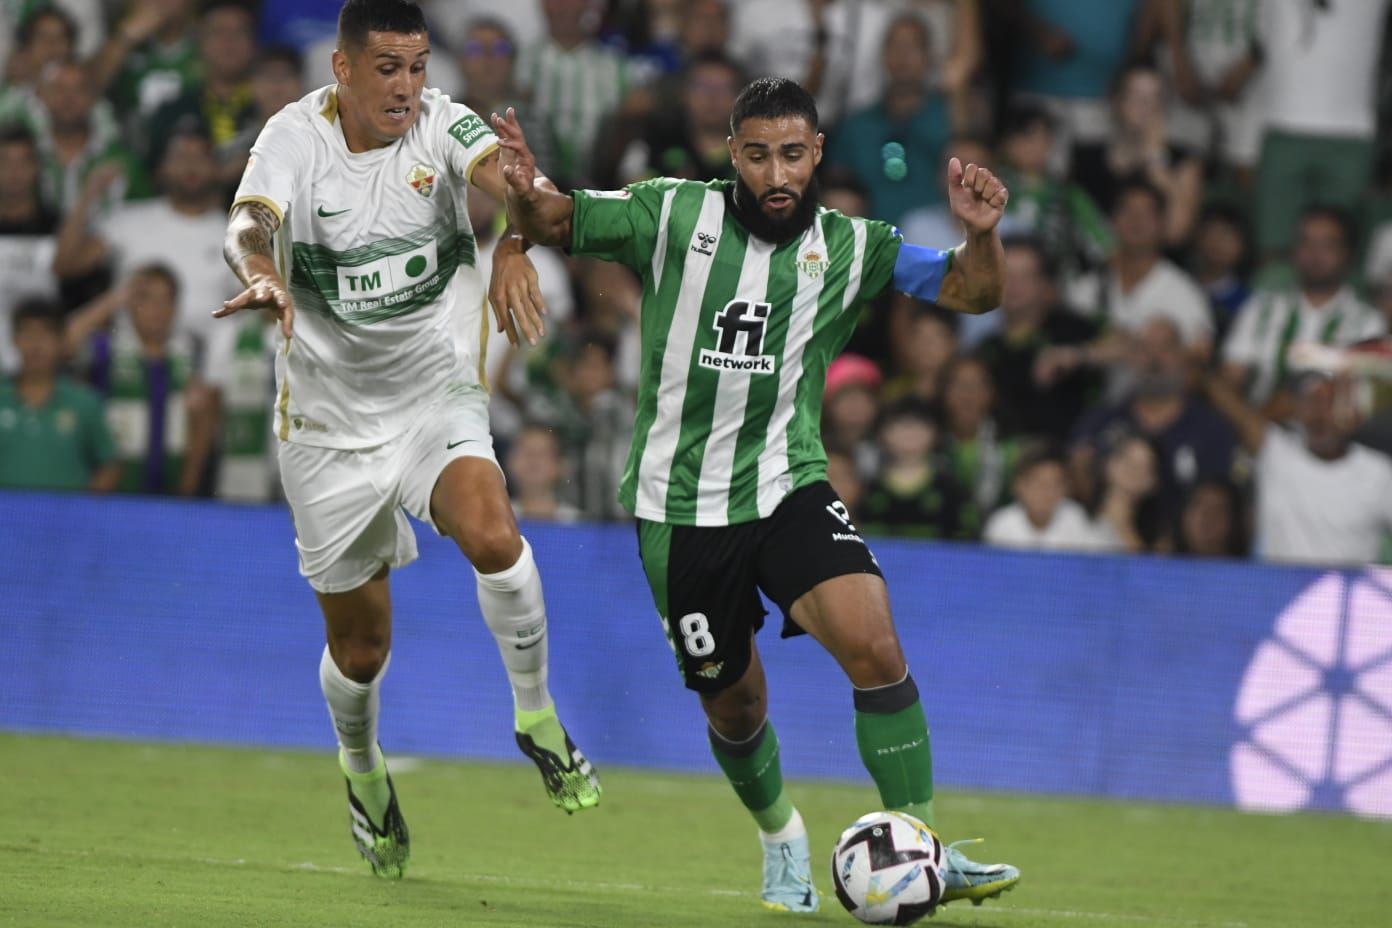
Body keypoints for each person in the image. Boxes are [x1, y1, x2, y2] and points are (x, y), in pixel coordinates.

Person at [499, 75, 1020, 913]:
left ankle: (920, 845)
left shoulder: (854, 245)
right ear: (731, 154)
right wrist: (526, 196)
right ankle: (781, 838)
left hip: (788, 484)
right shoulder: (669, 213)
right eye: (757, 155)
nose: (775, 174)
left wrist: (983, 237)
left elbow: (974, 289)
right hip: (679, 508)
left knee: (877, 649)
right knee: (735, 705)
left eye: (791, 155)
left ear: (815, 154)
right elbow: (556, 221)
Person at [212, 0, 602, 881]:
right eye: (388, 67)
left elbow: (515, 184)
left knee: (497, 538)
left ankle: (536, 716)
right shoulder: (291, 139)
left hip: (434, 393)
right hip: (327, 424)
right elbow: (248, 223)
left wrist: (513, 239)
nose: (407, 86)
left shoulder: (440, 122)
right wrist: (262, 269)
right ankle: (362, 771)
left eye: (418, 66)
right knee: (362, 649)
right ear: (343, 68)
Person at [1205, 371, 1392, 566]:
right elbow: (1232, 406)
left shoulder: (1378, 472)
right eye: (1311, 401)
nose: (1320, 413)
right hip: (1279, 591)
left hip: (1348, 594)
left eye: (1330, 401)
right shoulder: (1276, 452)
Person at [1222, 206, 1385, 413]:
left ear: (1348, 254)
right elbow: (1231, 376)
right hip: (1260, 428)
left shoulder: (1368, 322)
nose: (1315, 254)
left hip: (1333, 434)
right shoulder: (1262, 307)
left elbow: (1367, 401)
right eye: (1307, 243)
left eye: (1327, 245)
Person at [824, 12, 954, 227]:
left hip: (936, 246)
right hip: (871, 245)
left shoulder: (950, 118)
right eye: (894, 46)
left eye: (913, 46)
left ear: (930, 56)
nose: (903, 56)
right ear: (882, 55)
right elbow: (836, 192)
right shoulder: (856, 126)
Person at [0, 298, 117, 492]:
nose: (36, 344)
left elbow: (109, 465)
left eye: (45, 334)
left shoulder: (84, 401)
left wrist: (84, 511)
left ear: (61, 341)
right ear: (13, 339)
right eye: (27, 333)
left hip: (66, 520)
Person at [0, 123, 60, 375]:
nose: (14, 173)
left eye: (22, 163)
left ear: (36, 167)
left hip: (45, 371)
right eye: (5, 163)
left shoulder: (58, 227)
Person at [982, 442, 1110, 551]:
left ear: (1066, 488)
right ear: (1019, 486)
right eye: (1038, 483)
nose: (1046, 493)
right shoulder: (1002, 525)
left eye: (1055, 484)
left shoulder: (1076, 519)